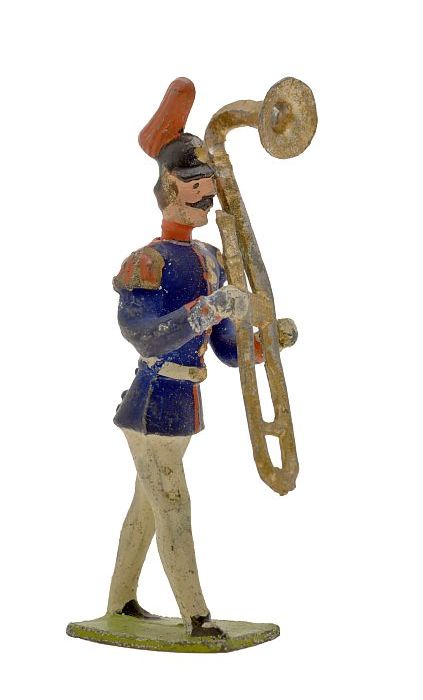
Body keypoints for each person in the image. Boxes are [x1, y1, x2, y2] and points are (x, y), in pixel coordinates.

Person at [107, 78, 296, 637]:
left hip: (182, 406)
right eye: (195, 183)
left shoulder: (212, 259)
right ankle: (197, 616)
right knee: (173, 505)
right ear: (169, 187)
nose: (207, 193)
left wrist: (266, 342)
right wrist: (208, 308)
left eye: (207, 182)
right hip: (150, 405)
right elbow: (143, 337)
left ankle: (118, 604)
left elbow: (227, 351)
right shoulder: (147, 261)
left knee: (146, 509)